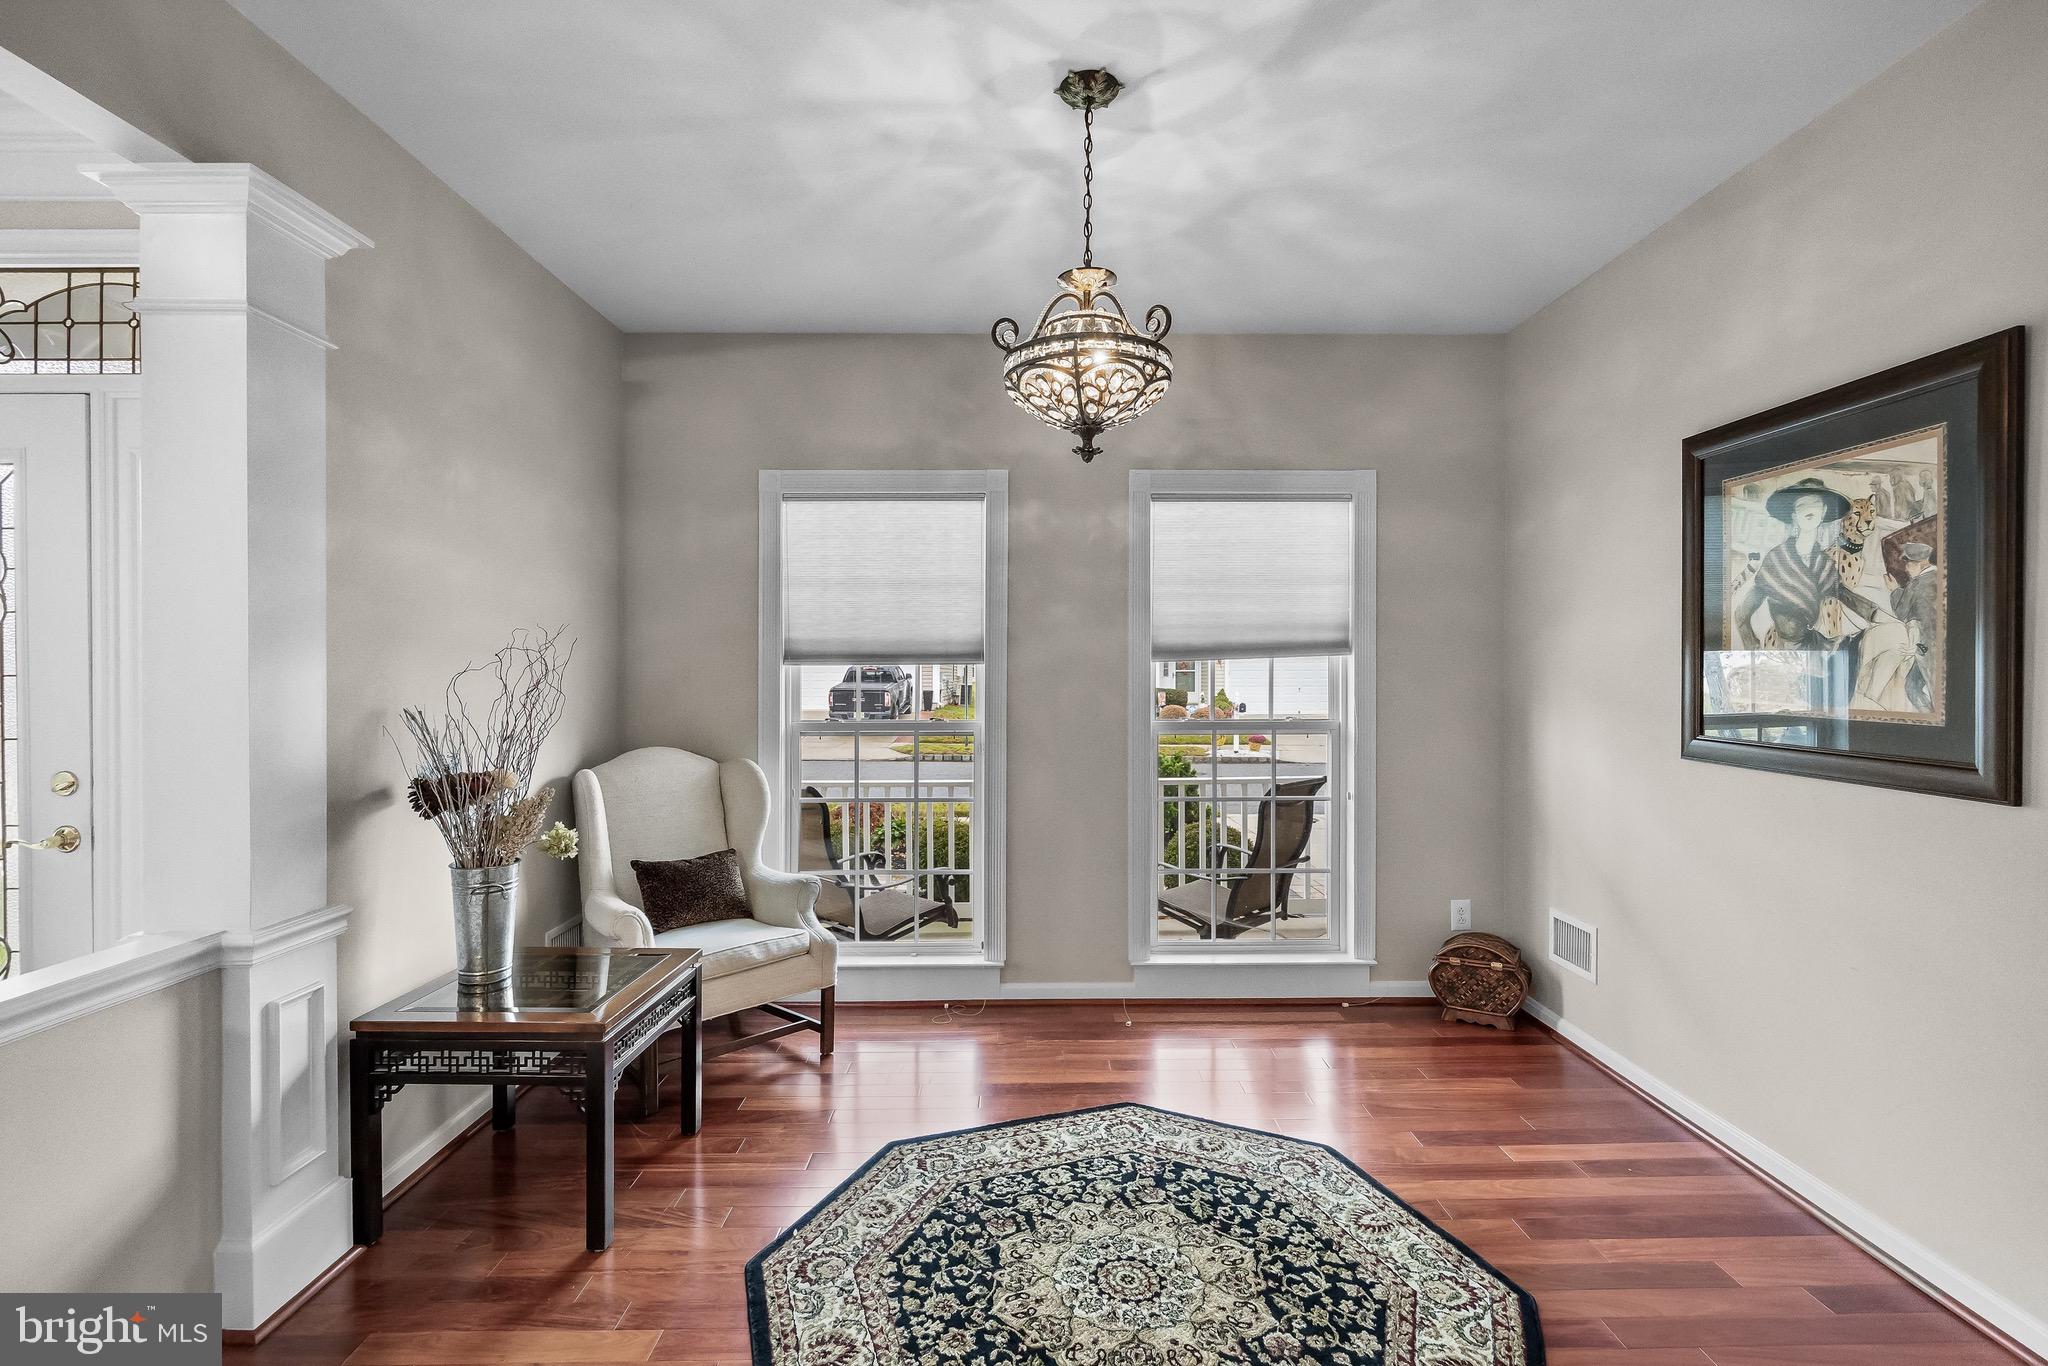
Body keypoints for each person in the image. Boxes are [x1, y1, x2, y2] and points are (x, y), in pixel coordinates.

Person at [1731, 477, 1892, 711]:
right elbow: (1741, 614)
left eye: (1815, 505)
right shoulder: (1776, 559)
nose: (1809, 511)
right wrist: (1754, 650)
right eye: (1801, 506)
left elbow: (1844, 595)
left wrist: (1878, 615)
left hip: (1818, 649)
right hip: (1784, 653)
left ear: (1824, 512)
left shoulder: (1825, 563)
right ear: (1793, 515)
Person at [1889, 541, 1941, 712]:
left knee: (1923, 687)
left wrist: (1894, 590)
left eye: (1908, 563)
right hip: (1938, 645)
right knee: (1914, 686)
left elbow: (1901, 612)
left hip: (1926, 647)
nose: (1906, 568)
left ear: (1921, 563)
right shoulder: (1940, 577)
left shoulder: (1916, 584)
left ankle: (1932, 717)